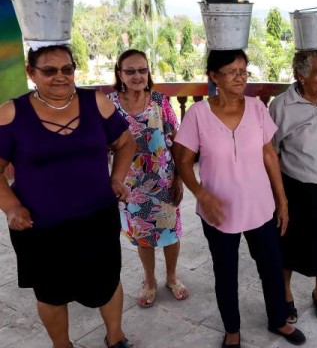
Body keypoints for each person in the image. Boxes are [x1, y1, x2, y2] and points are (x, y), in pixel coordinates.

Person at [0, 44, 135, 348]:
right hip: (41, 226)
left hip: (97, 217)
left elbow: (126, 143)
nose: (60, 76)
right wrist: (11, 206)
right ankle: (62, 344)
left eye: (67, 69)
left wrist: (116, 178)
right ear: (30, 72)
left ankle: (116, 336)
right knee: (50, 291)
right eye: (49, 70)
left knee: (107, 280)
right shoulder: (12, 113)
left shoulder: (95, 102)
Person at [174, 49, 306, 347]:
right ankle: (232, 329)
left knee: (271, 267)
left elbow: (270, 156)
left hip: (260, 207)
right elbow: (183, 161)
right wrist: (200, 193)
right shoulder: (198, 114)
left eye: (244, 70)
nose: (240, 76)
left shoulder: (257, 108)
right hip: (219, 212)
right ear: (213, 77)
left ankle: (278, 321)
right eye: (232, 71)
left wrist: (282, 200)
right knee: (225, 272)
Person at [268, 49, 317, 323]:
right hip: (296, 188)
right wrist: (279, 197)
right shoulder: (280, 106)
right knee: (289, 244)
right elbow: (271, 151)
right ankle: (286, 295)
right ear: (301, 76)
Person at [108, 49, 188, 308]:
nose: (137, 76)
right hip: (130, 185)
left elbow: (176, 142)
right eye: (130, 71)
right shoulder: (109, 104)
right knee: (143, 236)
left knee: (170, 234)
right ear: (119, 73)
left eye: (142, 70)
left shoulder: (159, 101)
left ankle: (172, 277)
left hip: (164, 181)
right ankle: (150, 280)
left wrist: (179, 179)